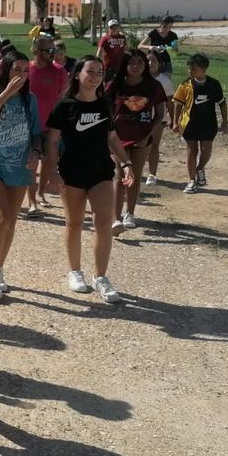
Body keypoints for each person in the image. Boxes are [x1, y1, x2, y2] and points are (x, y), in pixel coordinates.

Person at [44, 56, 135, 303]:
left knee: (104, 223)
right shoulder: (64, 107)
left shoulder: (105, 105)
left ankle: (101, 277)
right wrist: (51, 172)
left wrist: (125, 163)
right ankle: (75, 272)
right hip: (72, 171)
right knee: (74, 224)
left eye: (99, 72)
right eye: (90, 71)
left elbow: (112, 138)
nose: (95, 76)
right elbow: (52, 141)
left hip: (101, 171)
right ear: (77, 75)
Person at [0, 52, 41, 301]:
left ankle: (0, 268)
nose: (22, 76)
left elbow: (36, 132)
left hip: (20, 165)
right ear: (6, 70)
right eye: (17, 70)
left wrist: (36, 151)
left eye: (26, 71)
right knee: (1, 216)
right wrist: (5, 94)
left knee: (11, 220)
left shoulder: (30, 100)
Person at [104, 49, 166, 235]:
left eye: (139, 62)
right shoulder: (115, 85)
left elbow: (160, 115)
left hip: (142, 138)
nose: (135, 66)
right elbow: (104, 110)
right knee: (119, 175)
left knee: (135, 176)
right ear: (125, 65)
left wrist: (148, 136)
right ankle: (115, 218)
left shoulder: (153, 86)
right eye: (131, 63)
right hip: (118, 138)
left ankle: (129, 213)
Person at [24, 36, 69, 217]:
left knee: (49, 163)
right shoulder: (26, 69)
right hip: (30, 126)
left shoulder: (59, 72)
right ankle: (32, 201)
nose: (53, 54)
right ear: (35, 51)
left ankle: (41, 193)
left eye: (54, 50)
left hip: (52, 127)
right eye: (48, 50)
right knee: (32, 164)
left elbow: (62, 99)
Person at [172, 53, 228, 194]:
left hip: (208, 123)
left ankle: (200, 168)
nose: (190, 71)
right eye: (189, 68)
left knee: (206, 149)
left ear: (203, 69)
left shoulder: (214, 84)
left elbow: (222, 103)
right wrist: (175, 122)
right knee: (191, 151)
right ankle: (191, 181)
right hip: (190, 123)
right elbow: (178, 104)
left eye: (193, 68)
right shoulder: (185, 85)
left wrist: (225, 122)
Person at [144, 49, 176, 186]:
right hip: (139, 119)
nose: (150, 63)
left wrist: (173, 120)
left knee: (153, 146)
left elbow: (170, 102)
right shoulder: (139, 78)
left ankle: (152, 174)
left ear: (160, 64)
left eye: (154, 61)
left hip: (159, 119)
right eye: (148, 60)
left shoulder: (164, 81)